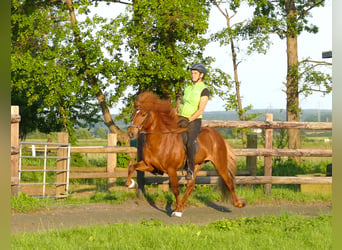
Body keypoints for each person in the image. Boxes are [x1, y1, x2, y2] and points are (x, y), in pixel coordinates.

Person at [178, 63, 209, 180]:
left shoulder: (204, 90)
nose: (192, 74)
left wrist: (189, 119)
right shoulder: (187, 88)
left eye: (195, 73)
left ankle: (190, 169)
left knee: (190, 142)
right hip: (181, 118)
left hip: (194, 121)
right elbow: (181, 103)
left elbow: (201, 109)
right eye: (192, 72)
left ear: (201, 75)